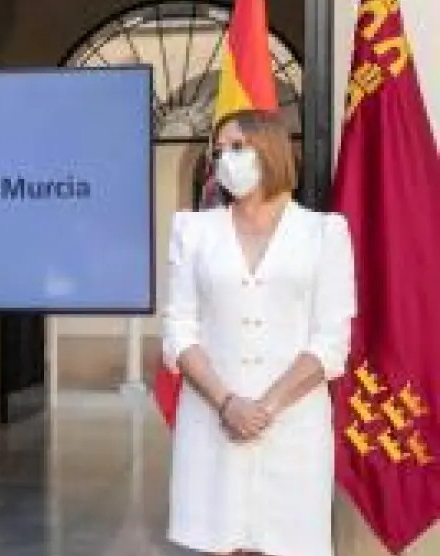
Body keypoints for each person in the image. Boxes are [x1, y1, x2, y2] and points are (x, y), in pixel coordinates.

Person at [162, 109, 356, 556]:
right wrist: (228, 404)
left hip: (293, 423)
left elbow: (331, 340)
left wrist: (264, 409)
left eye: (237, 147)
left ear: (270, 149)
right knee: (219, 541)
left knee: (287, 542)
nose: (224, 160)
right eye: (218, 151)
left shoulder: (323, 233)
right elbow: (179, 329)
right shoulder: (194, 231)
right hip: (213, 418)